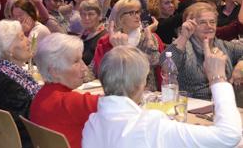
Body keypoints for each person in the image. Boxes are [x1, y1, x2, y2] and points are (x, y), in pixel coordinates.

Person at [82, 44, 242, 148]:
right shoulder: (150, 125)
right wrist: (218, 78)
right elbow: (229, 135)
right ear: (141, 83)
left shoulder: (92, 123)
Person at [30, 33, 99, 148]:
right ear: (54, 71)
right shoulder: (68, 102)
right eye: (76, 61)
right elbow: (118, 104)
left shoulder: (40, 96)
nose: (84, 67)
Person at [161, 2, 243, 99]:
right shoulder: (183, 46)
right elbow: (165, 63)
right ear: (190, 24)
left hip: (222, 101)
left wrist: (241, 65)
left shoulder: (222, 45)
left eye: (212, 22)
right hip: (193, 107)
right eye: (202, 22)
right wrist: (183, 37)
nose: (209, 26)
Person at [0, 20, 39, 148]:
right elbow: (36, 120)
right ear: (9, 50)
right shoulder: (9, 86)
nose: (28, 41)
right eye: (22, 38)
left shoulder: (3, 74)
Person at [93, 0, 161, 91]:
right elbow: (95, 69)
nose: (137, 16)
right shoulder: (109, 40)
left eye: (137, 12)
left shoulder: (148, 37)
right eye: (131, 13)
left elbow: (155, 61)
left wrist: (148, 37)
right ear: (120, 17)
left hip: (146, 92)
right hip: (117, 91)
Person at [79, 0, 107, 65]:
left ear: (99, 16)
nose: (86, 18)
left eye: (91, 14)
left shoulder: (104, 37)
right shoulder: (85, 32)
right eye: (83, 14)